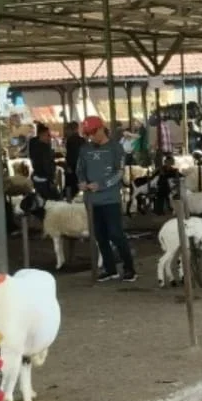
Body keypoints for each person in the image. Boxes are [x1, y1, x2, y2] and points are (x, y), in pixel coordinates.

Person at [76, 116, 137, 283]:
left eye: (93, 132)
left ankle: (129, 267)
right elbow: (80, 168)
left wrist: (101, 185)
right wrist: (81, 181)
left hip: (110, 199)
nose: (91, 137)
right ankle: (110, 269)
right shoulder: (85, 149)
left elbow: (119, 172)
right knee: (100, 236)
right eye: (88, 134)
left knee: (116, 234)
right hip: (91, 201)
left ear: (102, 129)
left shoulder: (116, 148)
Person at [28, 123, 59, 200]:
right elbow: (46, 164)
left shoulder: (33, 143)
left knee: (41, 198)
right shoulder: (44, 148)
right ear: (42, 135)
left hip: (37, 176)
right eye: (48, 135)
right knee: (53, 199)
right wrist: (52, 177)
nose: (50, 137)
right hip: (45, 178)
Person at [63, 121, 84, 200]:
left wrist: (67, 166)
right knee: (77, 184)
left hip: (72, 165)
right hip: (80, 166)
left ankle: (69, 200)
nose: (66, 131)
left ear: (71, 129)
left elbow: (70, 155)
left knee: (69, 184)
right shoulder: (82, 140)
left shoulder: (70, 140)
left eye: (67, 129)